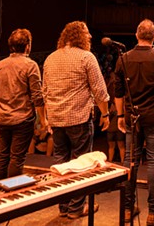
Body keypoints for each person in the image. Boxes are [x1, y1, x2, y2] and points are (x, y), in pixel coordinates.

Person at [43, 21, 110, 220]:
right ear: (79, 36)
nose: (90, 37)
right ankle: (76, 209)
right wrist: (105, 114)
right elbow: (99, 90)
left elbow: (45, 91)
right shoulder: (86, 57)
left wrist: (47, 117)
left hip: (56, 118)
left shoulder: (50, 58)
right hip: (78, 118)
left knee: (60, 163)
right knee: (80, 164)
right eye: (87, 33)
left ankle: (63, 207)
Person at [114, 18, 154, 226]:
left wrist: (120, 116)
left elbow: (118, 91)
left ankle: (128, 210)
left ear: (136, 35)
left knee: (130, 161)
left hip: (132, 117)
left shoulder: (124, 59)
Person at [0, 29, 46, 180]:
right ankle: (12, 192)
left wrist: (3, 109)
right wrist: (43, 119)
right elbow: (37, 96)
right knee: (17, 158)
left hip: (3, 118)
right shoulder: (30, 65)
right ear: (28, 46)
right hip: (23, 118)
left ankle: (0, 188)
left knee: (3, 155)